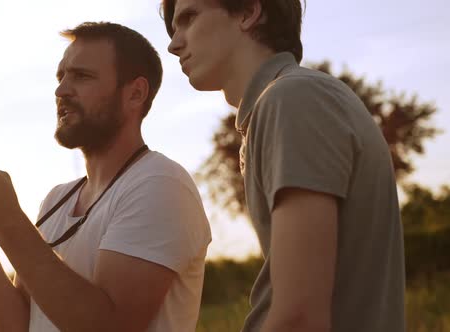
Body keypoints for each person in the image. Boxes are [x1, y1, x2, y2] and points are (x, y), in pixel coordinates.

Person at [0, 21, 211, 332]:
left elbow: (111, 326)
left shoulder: (160, 184)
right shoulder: (57, 199)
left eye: (82, 76)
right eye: (61, 76)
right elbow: (19, 324)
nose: (61, 90)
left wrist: (7, 221)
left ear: (135, 94)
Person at [160, 1, 406, 331]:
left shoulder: (291, 99)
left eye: (189, 18)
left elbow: (299, 318)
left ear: (247, 12)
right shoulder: (284, 102)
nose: (174, 44)